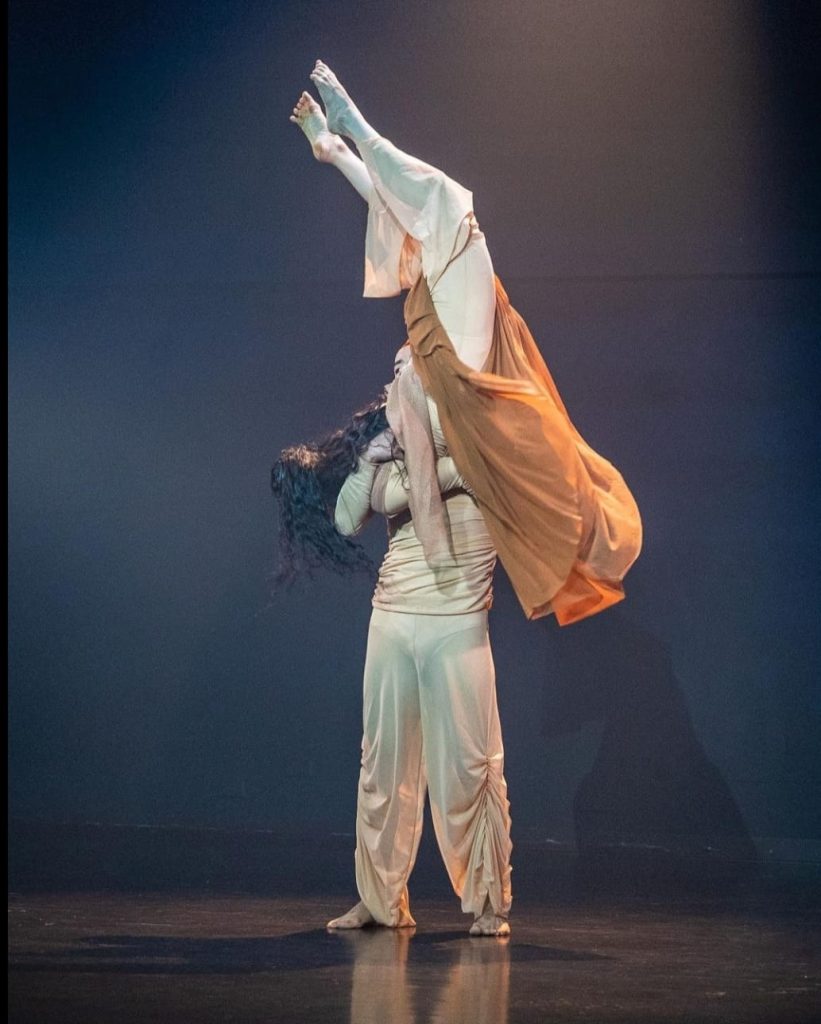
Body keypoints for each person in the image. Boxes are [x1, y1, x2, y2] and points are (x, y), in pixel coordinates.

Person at [283, 59, 643, 936]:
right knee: (382, 763)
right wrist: (337, 159)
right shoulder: (414, 361)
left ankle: (485, 900)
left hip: (456, 582)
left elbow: (434, 207)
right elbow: (406, 212)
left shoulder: (468, 353)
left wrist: (353, 136)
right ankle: (380, 898)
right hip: (399, 603)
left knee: (468, 764)